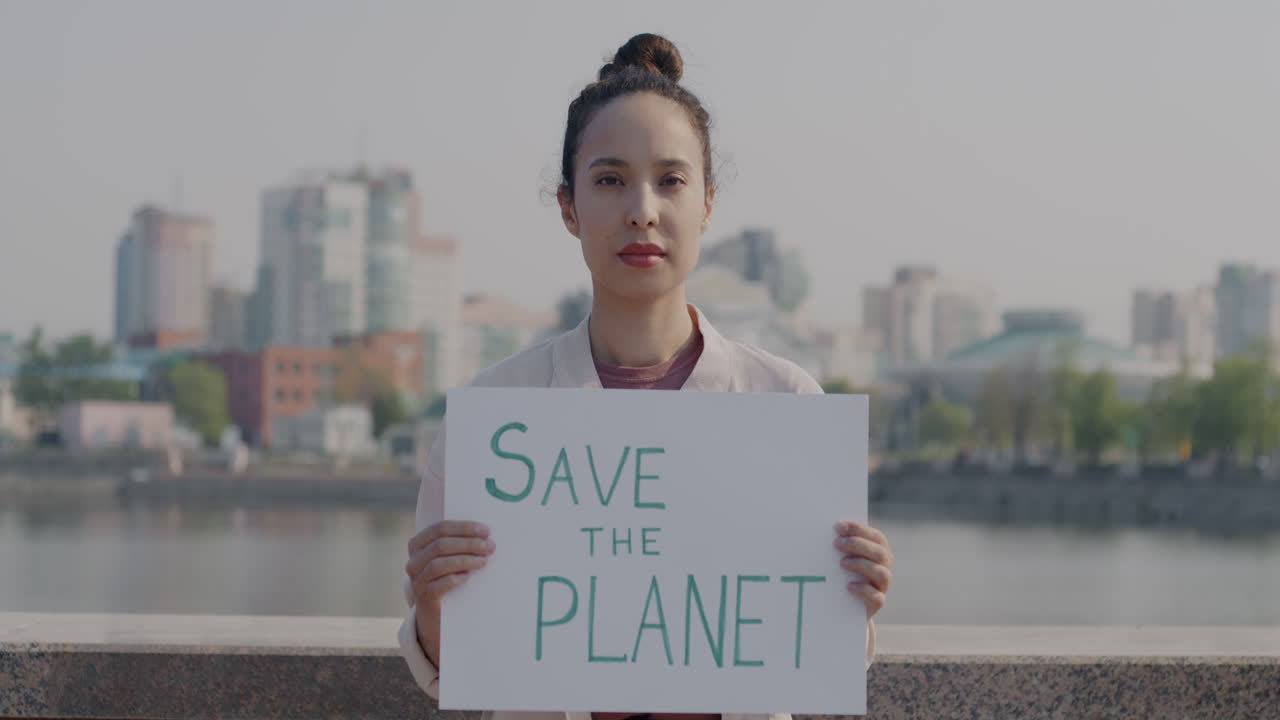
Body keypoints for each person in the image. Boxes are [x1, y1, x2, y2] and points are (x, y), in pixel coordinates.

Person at [400, 33, 895, 720]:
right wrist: (432, 603)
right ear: (568, 206)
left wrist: (852, 605)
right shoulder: (497, 417)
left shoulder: (788, 405)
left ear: (708, 205)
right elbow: (453, 670)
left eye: (670, 180)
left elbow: (808, 662)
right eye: (609, 180)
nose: (642, 210)